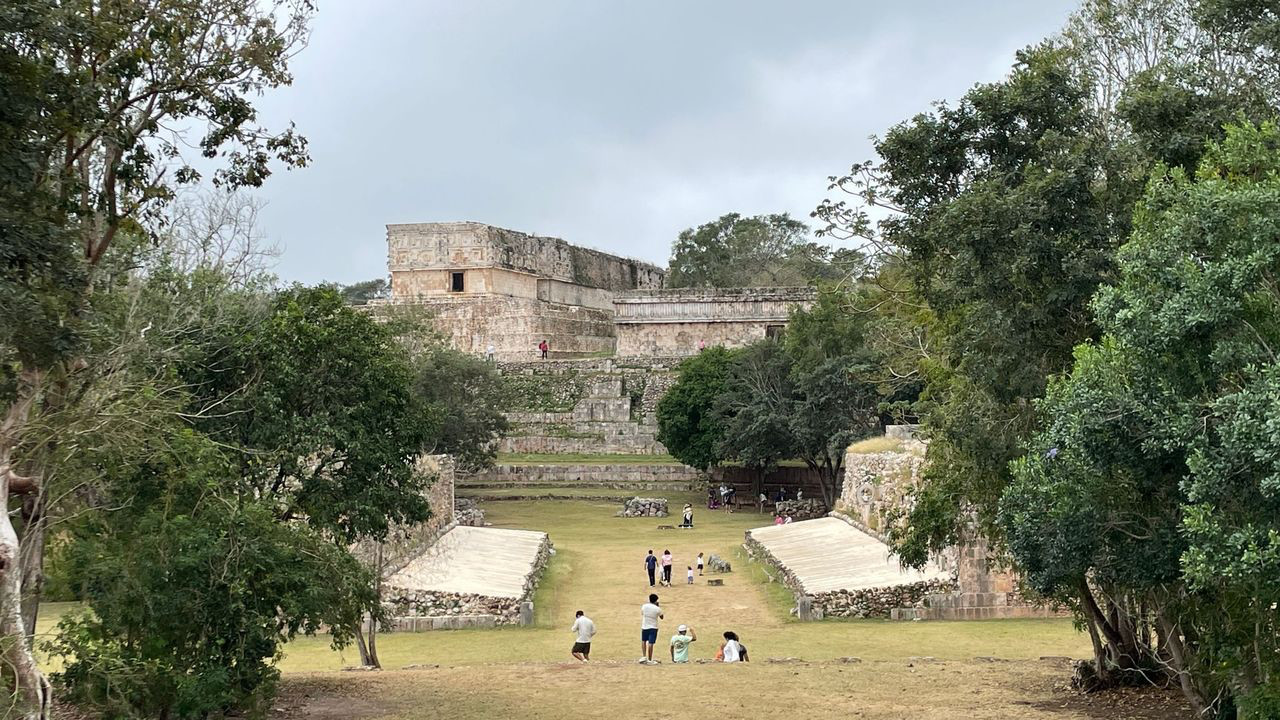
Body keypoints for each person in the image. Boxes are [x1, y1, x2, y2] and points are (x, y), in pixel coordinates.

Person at [639, 593, 663, 664]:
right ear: (656, 601)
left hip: (645, 626)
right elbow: (661, 617)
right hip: (653, 627)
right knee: (651, 643)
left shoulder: (644, 606)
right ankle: (649, 659)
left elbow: (642, 613)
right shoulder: (657, 608)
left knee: (643, 641)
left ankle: (644, 656)